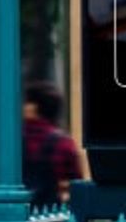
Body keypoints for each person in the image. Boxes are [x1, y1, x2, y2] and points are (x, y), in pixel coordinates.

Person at [22, 80, 86, 209]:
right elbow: (77, 184)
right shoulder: (63, 142)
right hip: (51, 216)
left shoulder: (14, 139)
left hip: (17, 214)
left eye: (26, 102)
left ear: (33, 107)